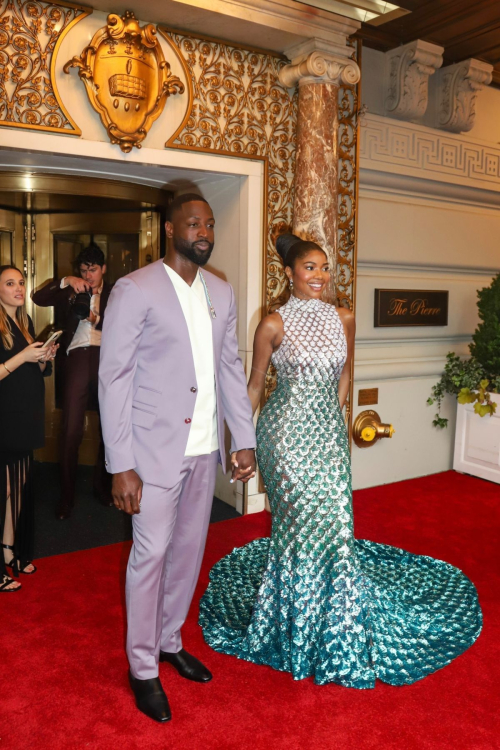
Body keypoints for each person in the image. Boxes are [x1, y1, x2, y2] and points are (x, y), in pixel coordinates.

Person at [199, 233, 483, 688]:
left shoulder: (344, 318)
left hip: (326, 435)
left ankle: (335, 621)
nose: (320, 276)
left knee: (334, 522)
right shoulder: (273, 324)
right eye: (309, 267)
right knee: (295, 525)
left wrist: (333, 417)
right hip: (285, 436)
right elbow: (253, 386)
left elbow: (348, 371)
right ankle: (293, 621)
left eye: (324, 267)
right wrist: (237, 441)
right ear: (290, 273)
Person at [98, 193, 256, 722]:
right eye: (194, 223)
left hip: (204, 450)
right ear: (171, 229)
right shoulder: (135, 288)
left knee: (188, 553)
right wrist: (121, 462)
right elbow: (114, 377)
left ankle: (169, 640)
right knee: (150, 557)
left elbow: (230, 367)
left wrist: (243, 438)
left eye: (210, 223)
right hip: (151, 453)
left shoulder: (221, 290)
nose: (205, 231)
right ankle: (142, 667)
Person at [32, 244, 112, 519]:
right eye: (83, 270)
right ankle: (66, 496)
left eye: (93, 270)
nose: (88, 275)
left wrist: (94, 318)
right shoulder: (72, 289)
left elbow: (131, 322)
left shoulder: (117, 292)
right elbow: (37, 297)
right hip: (77, 355)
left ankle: (103, 487)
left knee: (110, 429)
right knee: (71, 429)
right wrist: (67, 280)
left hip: (108, 358)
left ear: (103, 269)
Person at [0, 265, 57, 593]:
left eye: (21, 282)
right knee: (3, 492)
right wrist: (24, 356)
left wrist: (42, 357)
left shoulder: (24, 322)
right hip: (4, 418)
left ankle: (12, 551)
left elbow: (32, 370)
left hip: (25, 416)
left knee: (18, 491)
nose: (19, 288)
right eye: (10, 283)